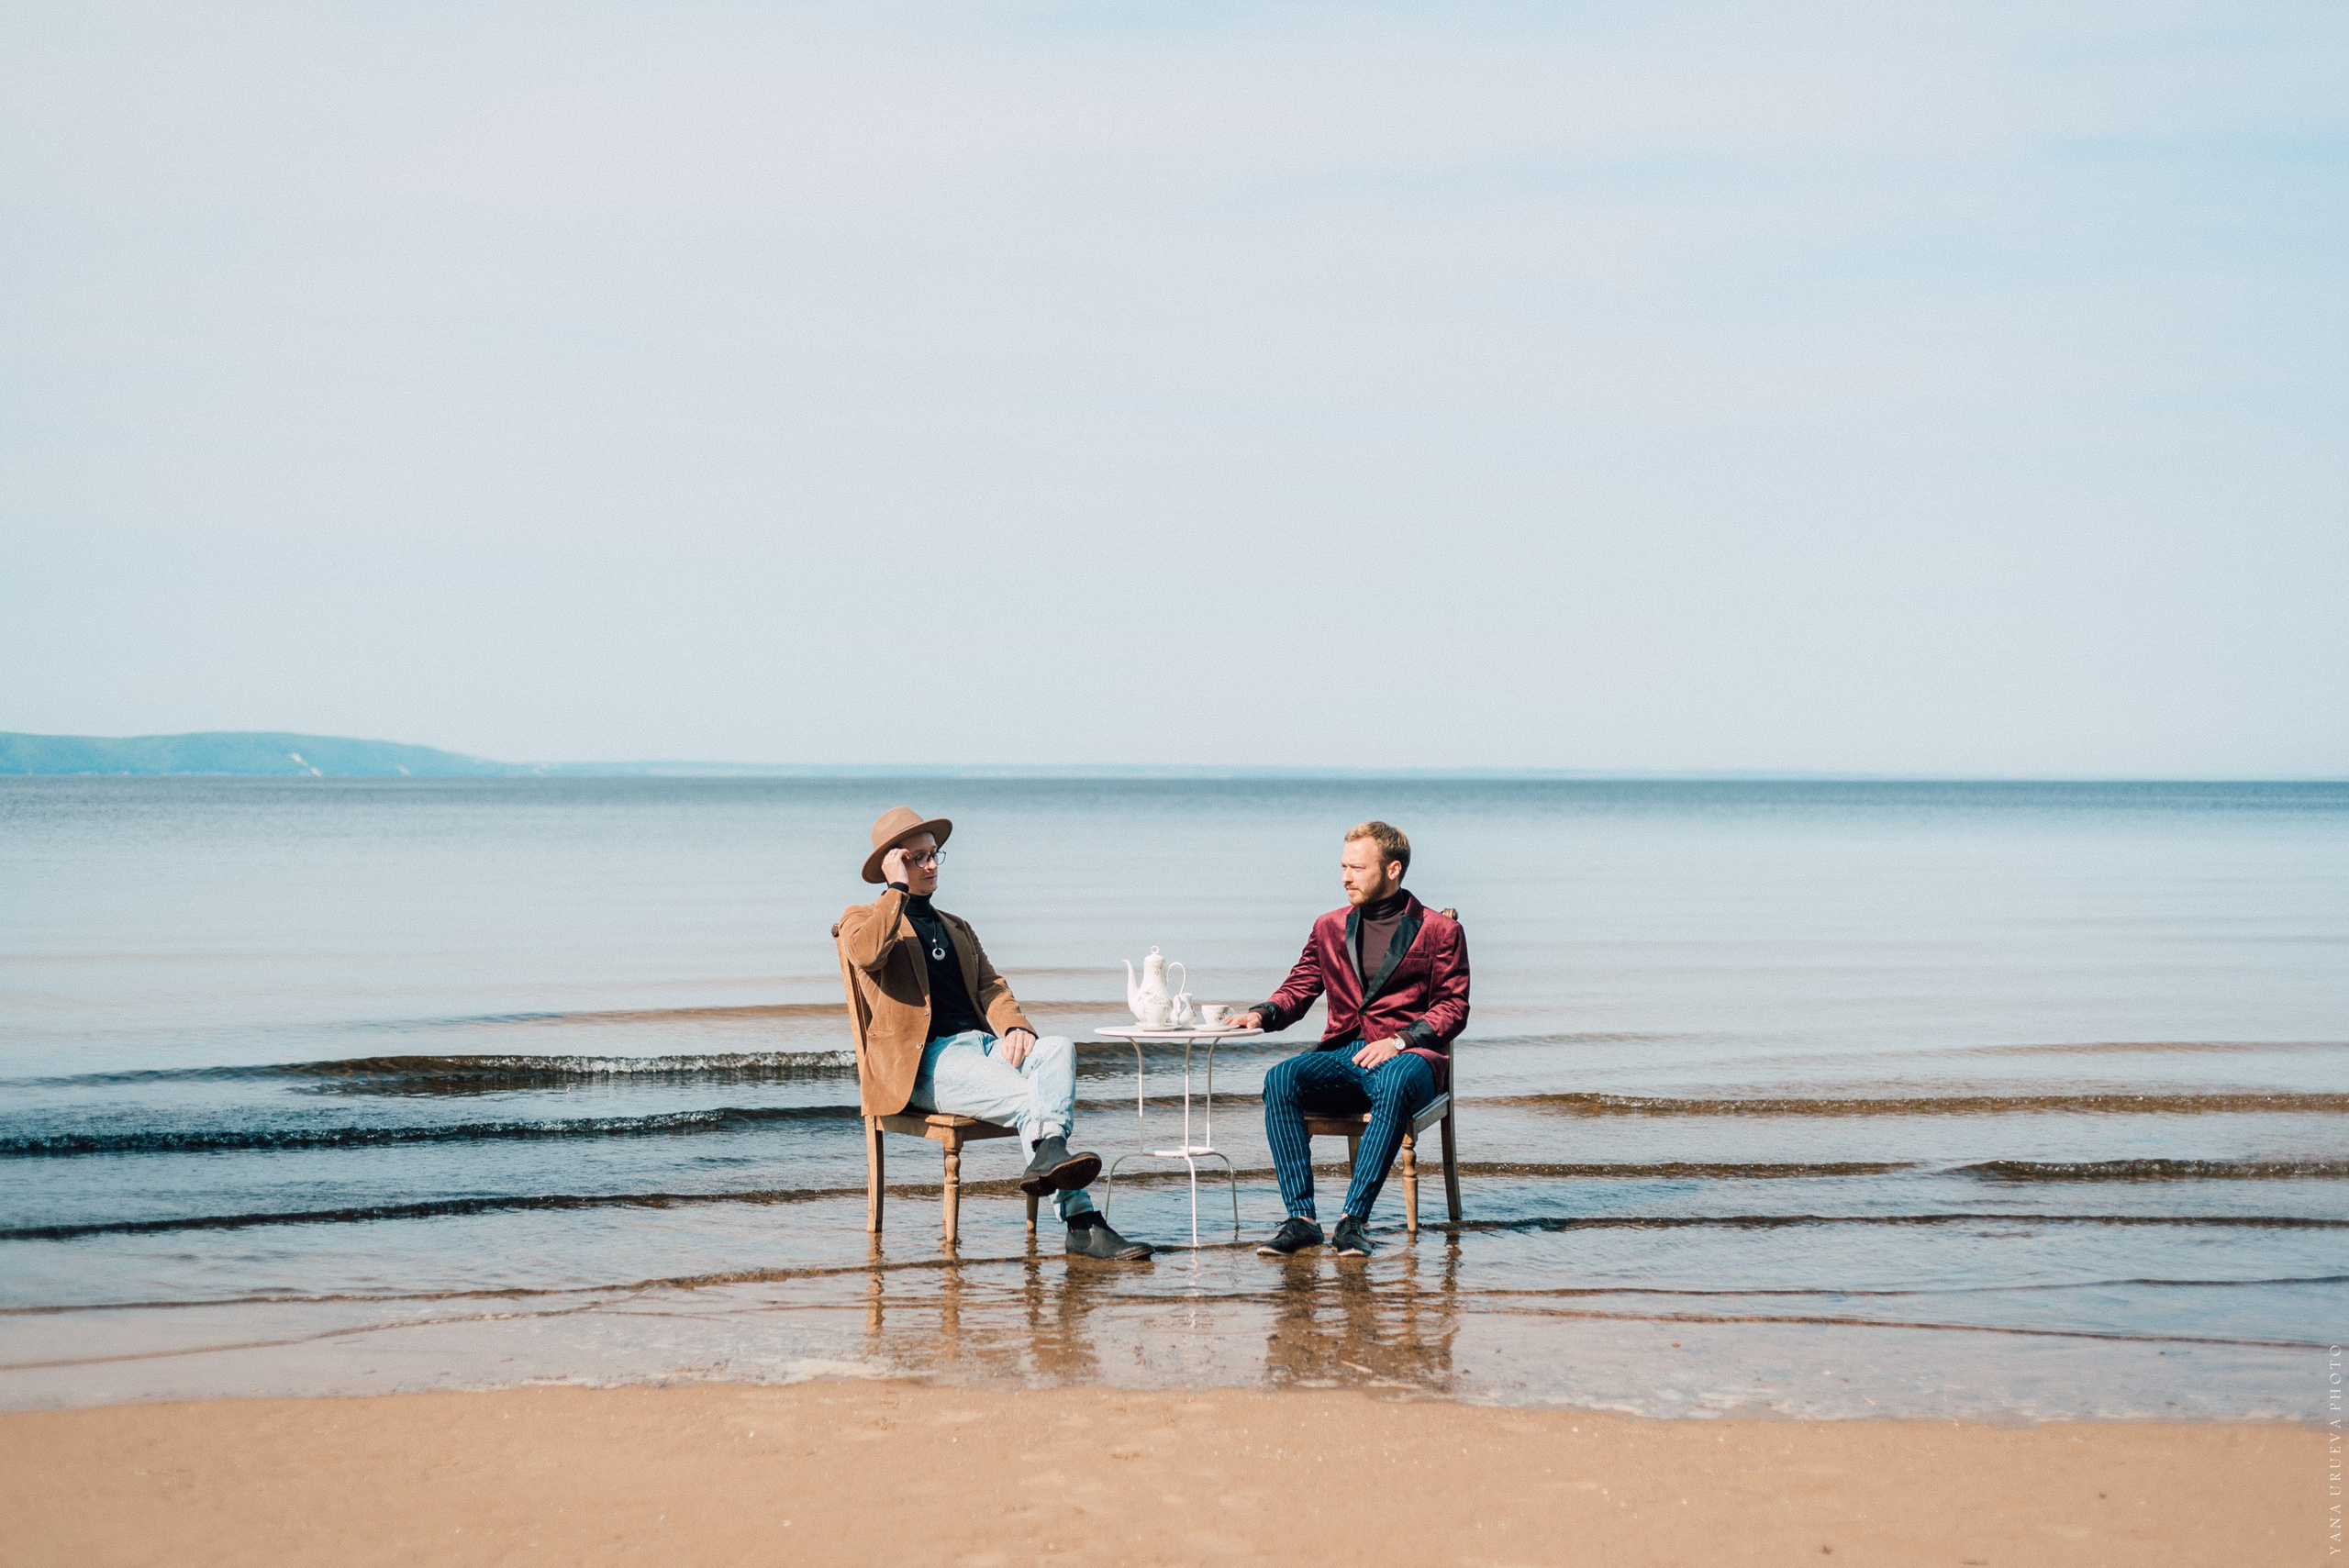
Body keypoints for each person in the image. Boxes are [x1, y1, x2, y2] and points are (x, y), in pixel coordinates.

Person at [835, 806, 1152, 1260]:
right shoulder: (861, 919)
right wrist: (896, 890)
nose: (931, 865)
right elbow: (868, 955)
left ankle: (1050, 1151)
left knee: (1057, 1048)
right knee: (1030, 1100)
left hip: (982, 1048)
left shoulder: (957, 927)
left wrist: (1016, 1027)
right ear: (893, 862)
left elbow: (991, 987)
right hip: (923, 1064)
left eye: (934, 854)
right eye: (917, 857)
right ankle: (1082, 1223)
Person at [1230, 820, 1469, 1258]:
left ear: (1393, 869)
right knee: (1281, 1079)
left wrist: (1399, 1041)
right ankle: (1302, 1221)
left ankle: (1352, 1221)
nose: (1345, 877)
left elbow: (1453, 1007)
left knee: (1393, 1080)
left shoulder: (1439, 930)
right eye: (1343, 866)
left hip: (1411, 1058)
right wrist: (1263, 1013)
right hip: (1345, 1054)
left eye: (1357, 868)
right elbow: (1300, 987)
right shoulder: (1328, 926)